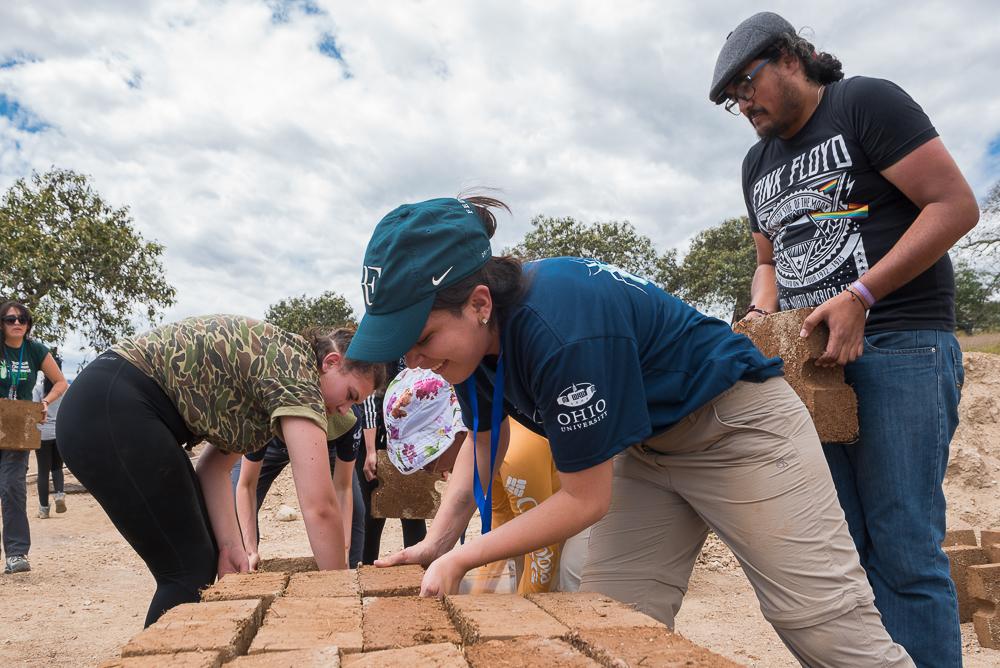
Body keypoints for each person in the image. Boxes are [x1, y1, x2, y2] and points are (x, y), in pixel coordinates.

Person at [350, 197, 912, 666]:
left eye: (421, 337)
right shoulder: (478, 350)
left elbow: (583, 499)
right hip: (646, 448)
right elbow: (483, 437)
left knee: (819, 622)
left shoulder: (560, 327)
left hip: (736, 426)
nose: (415, 360)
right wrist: (440, 540)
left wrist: (465, 559)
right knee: (613, 627)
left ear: (478, 303)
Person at [710, 12, 980, 666]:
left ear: (791, 58)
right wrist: (758, 318)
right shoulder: (756, 163)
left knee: (906, 549)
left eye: (746, 86)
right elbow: (769, 262)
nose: (743, 105)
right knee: (844, 548)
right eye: (731, 100)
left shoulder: (865, 103)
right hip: (810, 371)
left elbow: (954, 205)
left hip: (901, 347)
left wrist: (862, 295)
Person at [57, 317, 384, 626]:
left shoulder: (274, 375)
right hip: (111, 407)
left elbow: (214, 469)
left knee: (201, 560)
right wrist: (341, 596)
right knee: (186, 570)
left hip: (107, 403)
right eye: (350, 396)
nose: (344, 410)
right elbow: (320, 507)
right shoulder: (297, 374)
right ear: (330, 362)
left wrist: (230, 547)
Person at [235, 406, 365, 568]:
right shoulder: (262, 412)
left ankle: (350, 574)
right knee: (234, 509)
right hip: (271, 443)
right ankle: (242, 570)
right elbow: (246, 485)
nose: (345, 407)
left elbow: (343, 488)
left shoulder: (347, 418)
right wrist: (249, 551)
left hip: (326, 447)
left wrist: (344, 551)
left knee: (356, 513)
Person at [1, 300, 68, 574]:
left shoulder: (35, 350)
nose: (17, 323)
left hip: (20, 423)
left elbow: (61, 382)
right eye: (10, 319)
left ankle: (17, 553)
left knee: (11, 487)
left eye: (22, 319)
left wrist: (44, 403)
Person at [355, 359, 427, 564]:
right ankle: (367, 570)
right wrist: (371, 449)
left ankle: (419, 573)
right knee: (373, 510)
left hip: (410, 438)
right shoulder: (379, 349)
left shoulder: (415, 348)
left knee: (412, 510)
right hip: (377, 439)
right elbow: (368, 402)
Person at [33, 351, 67, 519]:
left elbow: (33, 410)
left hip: (42, 434)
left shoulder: (39, 389)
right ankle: (60, 494)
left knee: (43, 472)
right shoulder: (64, 389)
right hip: (59, 433)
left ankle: (44, 509)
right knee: (57, 468)